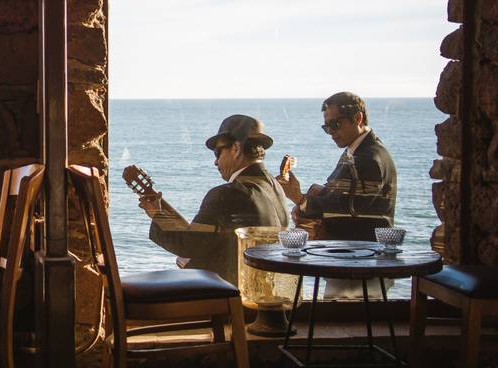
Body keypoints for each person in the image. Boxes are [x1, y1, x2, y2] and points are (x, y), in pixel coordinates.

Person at [138, 115, 289, 284]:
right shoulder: (277, 189)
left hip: (226, 295)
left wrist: (156, 214)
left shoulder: (227, 194)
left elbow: (187, 246)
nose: (215, 162)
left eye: (218, 152)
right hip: (263, 287)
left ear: (236, 148)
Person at [276, 92, 397, 299]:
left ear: (358, 118)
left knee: (353, 321)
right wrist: (306, 198)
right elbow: (342, 196)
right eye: (327, 126)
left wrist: (300, 199)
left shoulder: (369, 159)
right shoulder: (357, 152)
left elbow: (345, 209)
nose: (331, 132)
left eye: (336, 124)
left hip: (360, 263)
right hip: (356, 260)